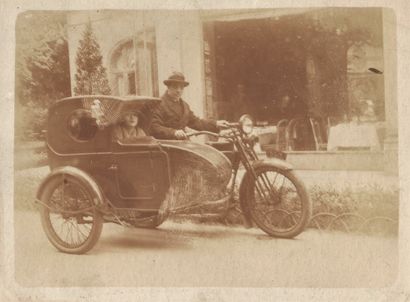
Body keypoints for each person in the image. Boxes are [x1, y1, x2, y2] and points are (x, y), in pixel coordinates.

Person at [150, 72, 229, 140]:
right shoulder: (159, 104)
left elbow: (196, 122)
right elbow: (154, 127)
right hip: (165, 146)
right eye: (175, 87)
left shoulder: (184, 106)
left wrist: (216, 123)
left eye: (181, 88)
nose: (178, 90)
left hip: (182, 143)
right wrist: (174, 132)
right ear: (168, 87)